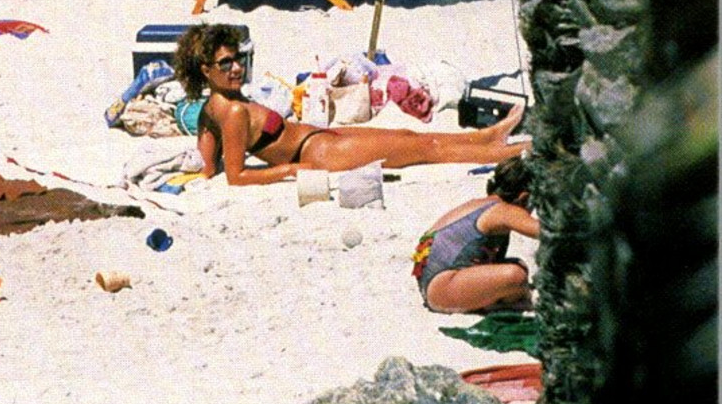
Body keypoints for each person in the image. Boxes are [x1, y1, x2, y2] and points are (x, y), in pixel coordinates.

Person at [175, 24, 526, 186]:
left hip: (320, 141)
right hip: (317, 154)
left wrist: (196, 172)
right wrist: (289, 171)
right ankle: (502, 152)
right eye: (226, 64)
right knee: (422, 148)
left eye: (236, 60)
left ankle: (490, 137)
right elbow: (235, 176)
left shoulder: (212, 110)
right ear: (206, 70)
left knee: (408, 136)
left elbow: (210, 168)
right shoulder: (234, 111)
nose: (236, 68)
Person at [411, 156, 540, 313]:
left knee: (518, 265)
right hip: (442, 288)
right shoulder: (504, 210)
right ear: (524, 197)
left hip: (434, 283)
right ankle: (502, 304)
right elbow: (548, 232)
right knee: (515, 276)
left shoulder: (482, 204)